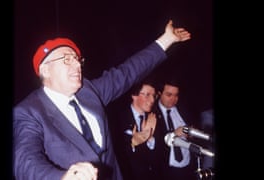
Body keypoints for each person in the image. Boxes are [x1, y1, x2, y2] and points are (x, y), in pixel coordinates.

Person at [13, 20, 191, 180]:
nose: (76, 64)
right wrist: (61, 178)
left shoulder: (89, 91)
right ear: (45, 70)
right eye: (66, 59)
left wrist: (167, 40)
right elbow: (25, 160)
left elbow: (129, 71)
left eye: (77, 59)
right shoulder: (29, 111)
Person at [111, 79, 166, 180]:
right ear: (134, 95)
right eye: (147, 95)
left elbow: (161, 156)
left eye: (153, 96)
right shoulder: (118, 119)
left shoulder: (154, 118)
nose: (152, 100)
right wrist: (132, 143)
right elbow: (116, 154)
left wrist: (150, 139)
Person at [153, 79, 198, 180]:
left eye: (176, 95)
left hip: (188, 164)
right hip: (167, 170)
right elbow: (153, 145)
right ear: (159, 94)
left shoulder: (183, 108)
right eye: (169, 95)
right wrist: (174, 134)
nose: (173, 99)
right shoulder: (153, 113)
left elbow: (193, 132)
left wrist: (192, 134)